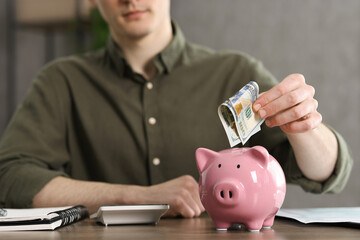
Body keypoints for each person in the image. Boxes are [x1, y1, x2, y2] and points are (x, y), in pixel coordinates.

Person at [0, 0, 353, 218]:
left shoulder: (235, 72)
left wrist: (305, 126)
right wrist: (135, 197)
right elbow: (10, 177)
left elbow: (327, 174)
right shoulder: (61, 82)